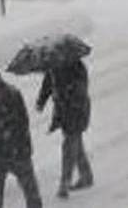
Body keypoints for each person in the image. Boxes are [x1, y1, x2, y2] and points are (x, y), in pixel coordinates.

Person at [0, 65, 42, 208]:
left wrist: (8, 136)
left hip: (18, 150)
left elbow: (21, 123)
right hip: (0, 151)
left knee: (29, 187)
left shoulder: (12, 95)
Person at [37, 59, 93, 198]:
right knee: (75, 144)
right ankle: (86, 175)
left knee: (69, 145)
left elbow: (81, 88)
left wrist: (65, 92)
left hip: (77, 110)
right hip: (64, 111)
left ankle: (65, 183)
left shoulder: (77, 66)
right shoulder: (53, 68)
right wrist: (41, 101)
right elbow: (48, 84)